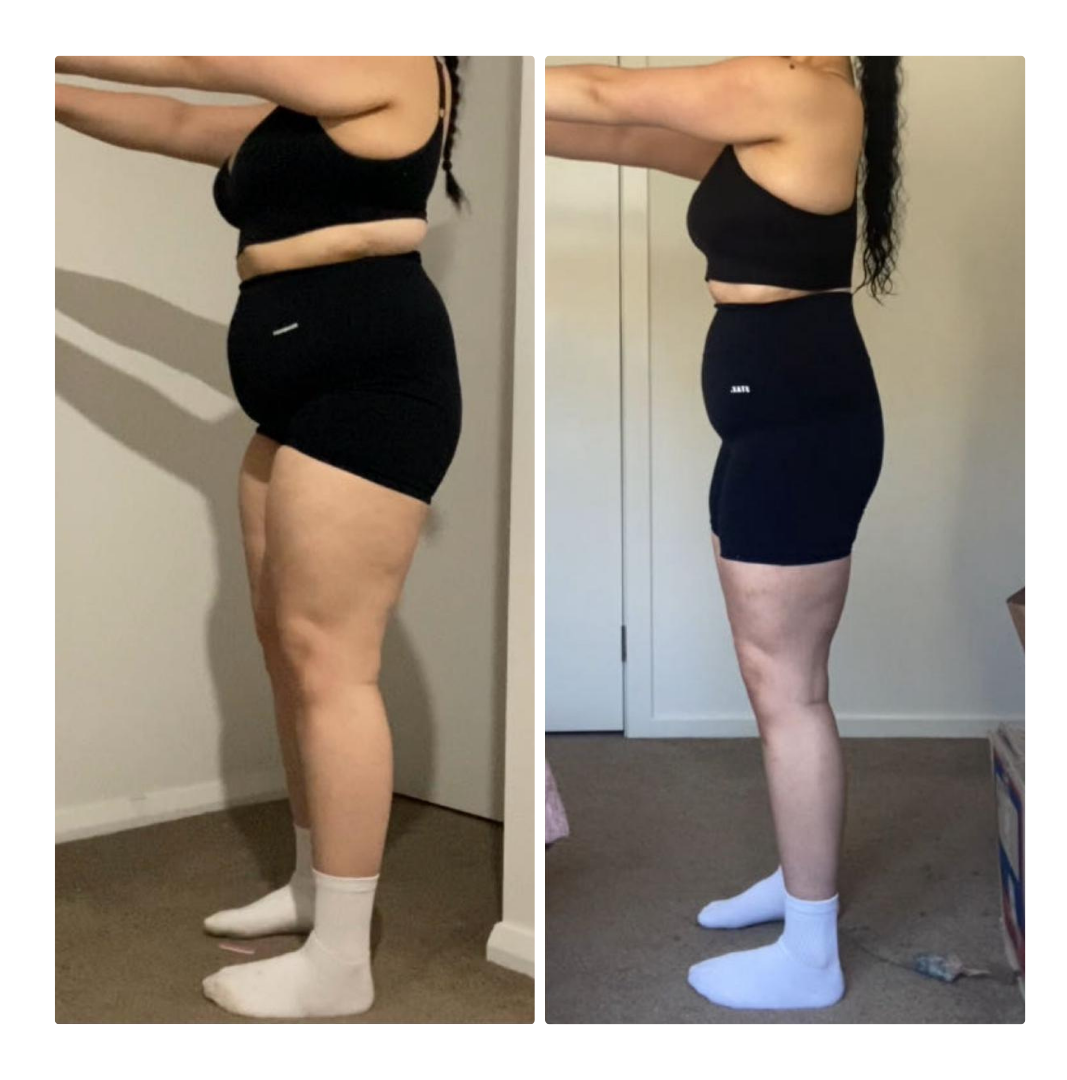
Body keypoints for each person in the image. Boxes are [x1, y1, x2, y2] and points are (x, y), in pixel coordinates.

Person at [54, 54, 467, 1019]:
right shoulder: (292, 114)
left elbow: (190, 62)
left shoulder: (397, 68)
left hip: (371, 388)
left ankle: (341, 964)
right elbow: (165, 117)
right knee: (287, 656)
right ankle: (317, 887)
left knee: (331, 662)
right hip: (288, 395)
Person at [546, 54, 903, 1010]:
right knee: (773, 679)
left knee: (789, 689)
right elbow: (618, 133)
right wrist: (463, 121)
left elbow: (606, 93)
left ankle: (812, 949)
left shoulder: (794, 87)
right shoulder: (779, 113)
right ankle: (798, 882)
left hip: (799, 429)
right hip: (769, 424)